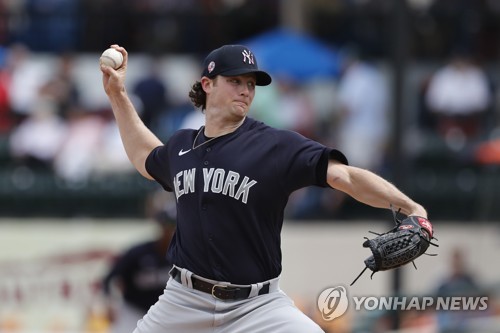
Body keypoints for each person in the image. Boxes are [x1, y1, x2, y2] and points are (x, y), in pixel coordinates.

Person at [100, 44, 428, 333]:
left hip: (257, 306)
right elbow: (144, 155)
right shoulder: (182, 145)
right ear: (207, 84)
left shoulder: (274, 145)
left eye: (250, 83)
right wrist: (117, 94)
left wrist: (411, 208)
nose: (245, 90)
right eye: (235, 81)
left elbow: (346, 177)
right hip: (183, 301)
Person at [101, 203, 176, 333]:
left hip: (165, 313)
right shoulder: (139, 253)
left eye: (174, 226)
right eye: (167, 226)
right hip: (132, 311)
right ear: (161, 226)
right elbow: (109, 278)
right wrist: (109, 303)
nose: (171, 231)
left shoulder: (183, 257)